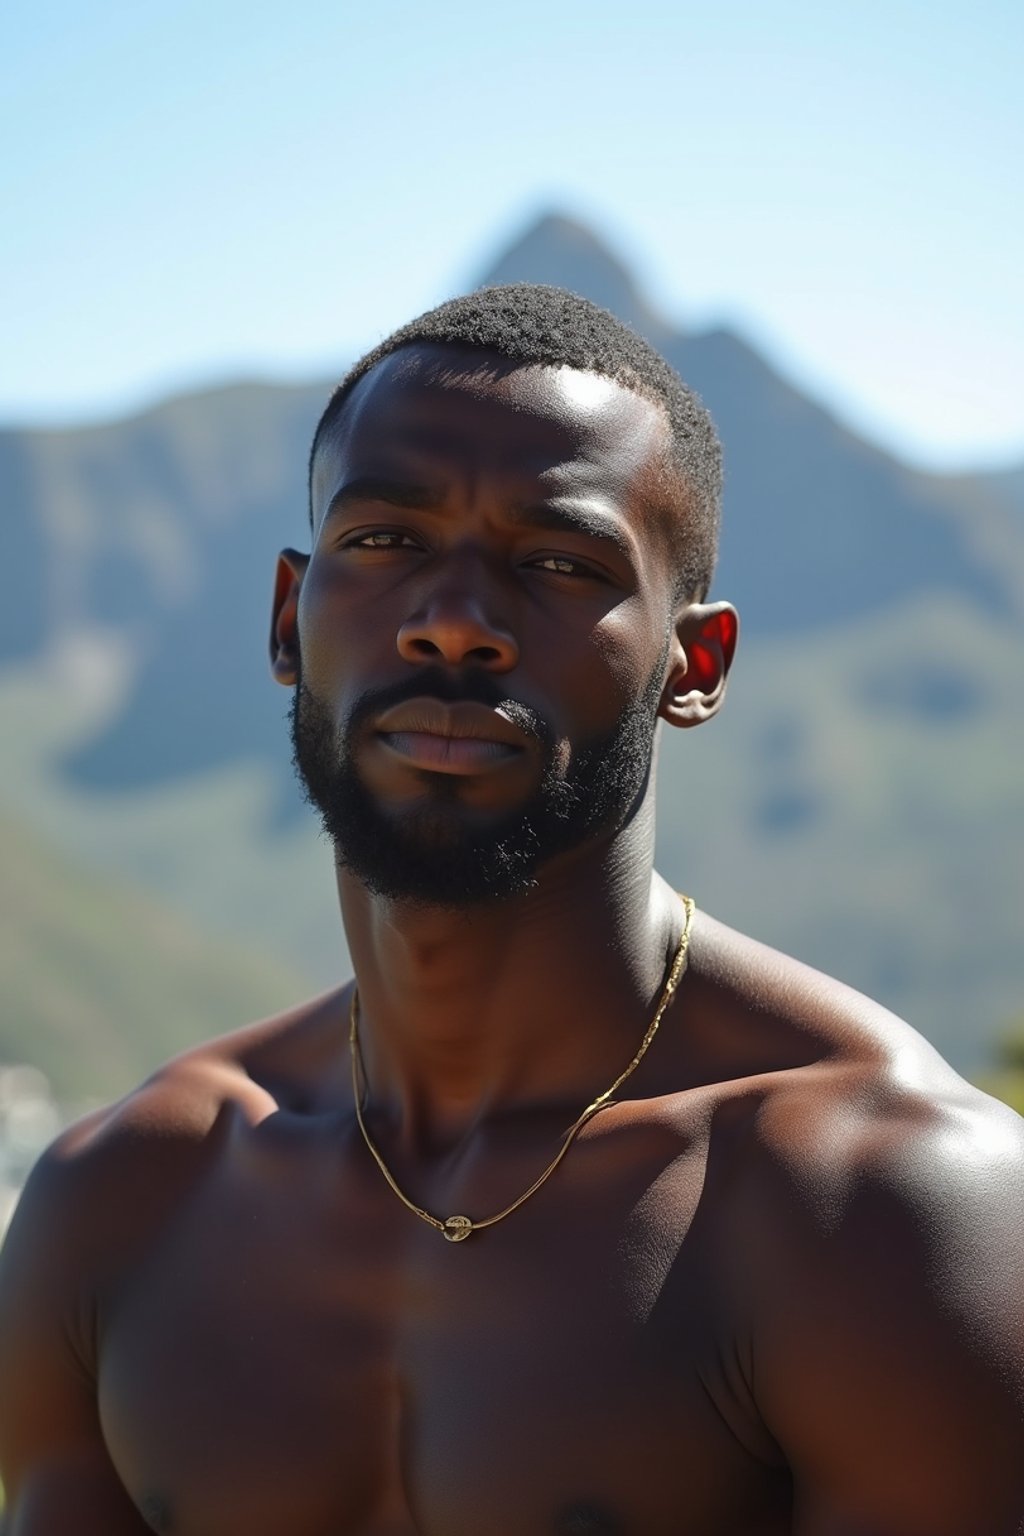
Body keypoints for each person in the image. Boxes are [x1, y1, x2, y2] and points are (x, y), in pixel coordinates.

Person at [1, 284, 1022, 1536]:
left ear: (690, 668)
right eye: (384, 544)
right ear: (287, 619)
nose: (451, 625)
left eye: (557, 563)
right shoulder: (125, 1194)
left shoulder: (875, 1204)